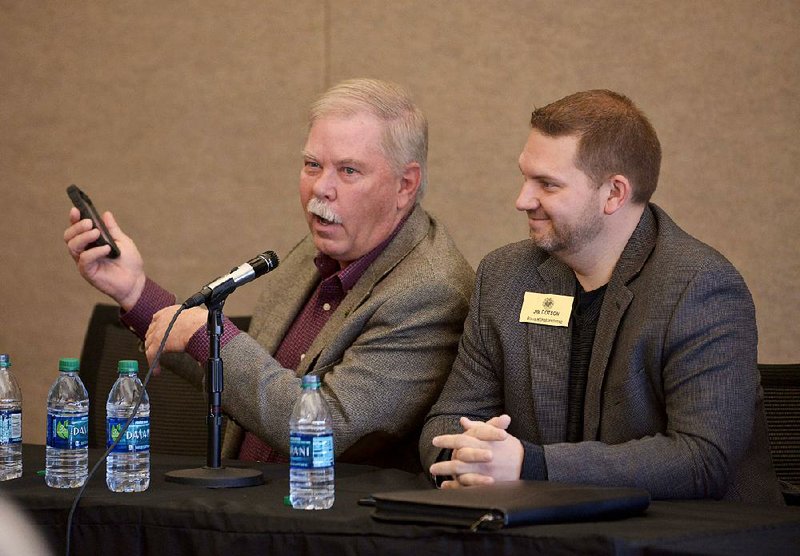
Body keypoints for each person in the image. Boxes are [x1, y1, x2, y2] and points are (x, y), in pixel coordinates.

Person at [64, 78, 474, 472]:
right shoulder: (312, 254)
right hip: (244, 502)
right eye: (313, 165)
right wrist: (134, 291)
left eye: (348, 171)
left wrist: (208, 337)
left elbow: (327, 428)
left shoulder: (430, 290)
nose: (321, 189)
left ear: (405, 184)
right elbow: (248, 381)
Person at [420, 89, 783, 503]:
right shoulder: (505, 277)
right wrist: (467, 461)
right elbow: (447, 419)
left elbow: (702, 459)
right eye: (525, 177)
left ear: (614, 193)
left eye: (548, 185)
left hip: (692, 538)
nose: (522, 200)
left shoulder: (700, 288)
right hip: (543, 534)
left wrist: (531, 466)